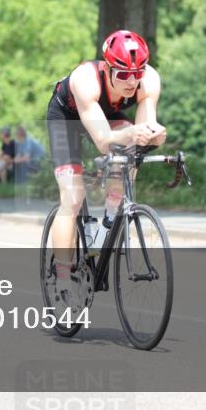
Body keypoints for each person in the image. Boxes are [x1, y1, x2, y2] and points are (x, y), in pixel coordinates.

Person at [46, 30, 166, 305]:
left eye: (137, 73)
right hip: (68, 118)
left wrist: (155, 136)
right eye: (123, 74)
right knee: (73, 198)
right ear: (108, 67)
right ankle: (63, 276)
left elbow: (142, 133)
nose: (131, 81)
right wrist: (127, 137)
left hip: (109, 117)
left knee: (130, 151)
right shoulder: (85, 79)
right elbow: (103, 141)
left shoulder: (149, 81)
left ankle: (109, 219)